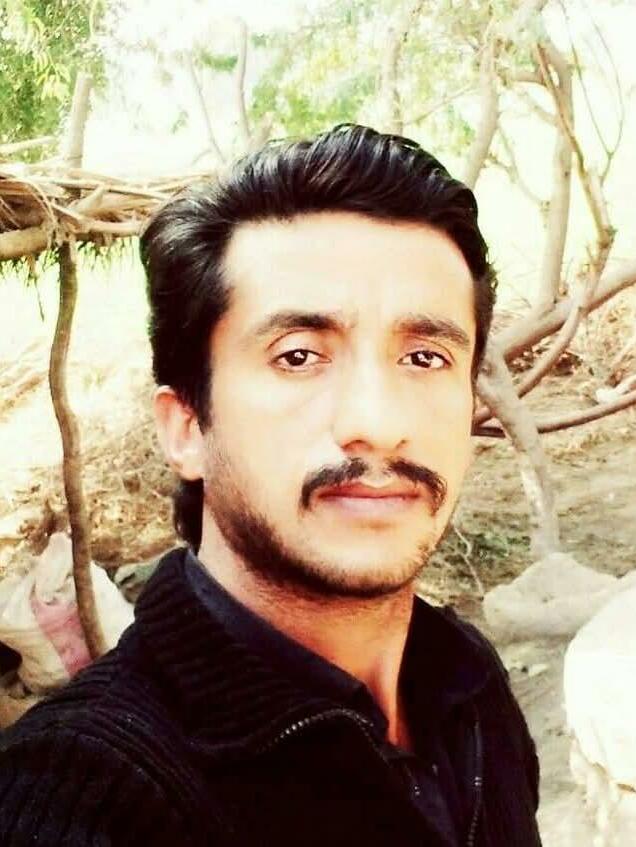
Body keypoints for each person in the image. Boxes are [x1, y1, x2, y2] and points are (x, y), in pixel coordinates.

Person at [0, 124, 541, 846]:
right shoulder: (83, 793)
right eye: (298, 356)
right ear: (187, 426)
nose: (378, 423)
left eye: (424, 357)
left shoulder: (467, 683)